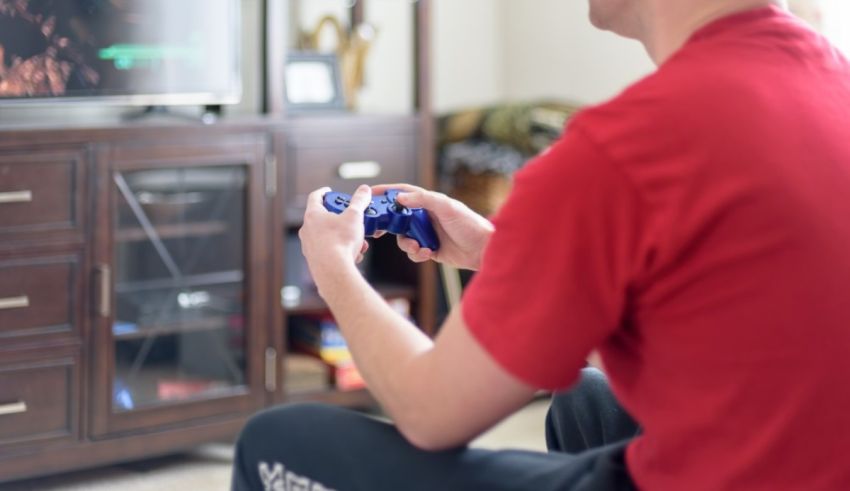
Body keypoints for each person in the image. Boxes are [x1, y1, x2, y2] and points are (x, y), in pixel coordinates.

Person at [232, 0, 850, 489]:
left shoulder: (620, 146)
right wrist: (499, 254)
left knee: (278, 443)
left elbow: (429, 410)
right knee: (588, 400)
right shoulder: (831, 82)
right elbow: (733, 331)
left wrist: (333, 265)